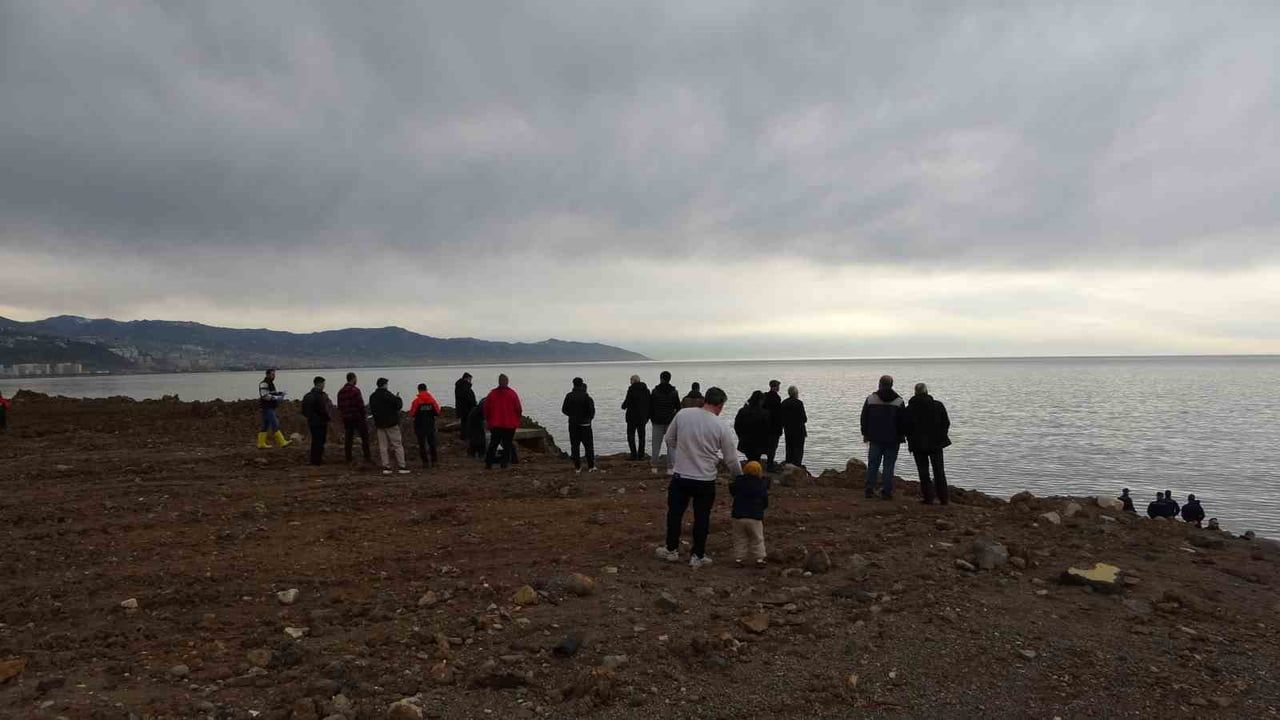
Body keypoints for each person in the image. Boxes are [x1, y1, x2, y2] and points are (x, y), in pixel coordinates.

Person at [656, 386, 742, 568]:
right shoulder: (720, 426)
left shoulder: (683, 415)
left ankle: (671, 550)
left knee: (675, 515)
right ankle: (698, 555)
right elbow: (731, 459)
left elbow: (669, 439)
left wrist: (683, 449)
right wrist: (739, 477)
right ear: (720, 405)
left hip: (681, 477)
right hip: (705, 480)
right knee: (702, 518)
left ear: (705, 400)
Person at [904, 382, 952, 505]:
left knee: (923, 471)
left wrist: (910, 438)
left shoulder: (909, 408)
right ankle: (943, 498)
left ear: (915, 392)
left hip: (917, 445)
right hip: (936, 443)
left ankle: (928, 498)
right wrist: (941, 436)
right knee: (939, 471)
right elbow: (946, 423)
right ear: (927, 391)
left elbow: (905, 427)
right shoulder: (938, 405)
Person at [860, 375, 906, 500]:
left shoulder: (871, 399)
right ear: (891, 385)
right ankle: (886, 491)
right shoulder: (899, 401)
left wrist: (865, 433)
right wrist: (901, 436)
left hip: (875, 437)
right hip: (893, 439)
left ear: (879, 384)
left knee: (873, 464)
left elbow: (864, 418)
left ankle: (869, 490)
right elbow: (903, 422)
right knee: (889, 466)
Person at [730, 460, 770, 567]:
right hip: (755, 516)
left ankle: (739, 559)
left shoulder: (739, 482)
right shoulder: (761, 484)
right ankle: (759, 559)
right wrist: (762, 508)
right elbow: (765, 500)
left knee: (739, 538)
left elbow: (732, 490)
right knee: (757, 538)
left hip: (738, 515)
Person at [368, 378, 408, 475]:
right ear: (384, 385)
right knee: (397, 444)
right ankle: (402, 466)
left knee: (383, 446)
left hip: (380, 424)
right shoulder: (388, 395)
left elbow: (371, 409)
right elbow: (398, 405)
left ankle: (386, 467)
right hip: (391, 423)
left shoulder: (373, 396)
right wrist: (398, 398)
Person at [483, 374, 523, 469]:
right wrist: (517, 419)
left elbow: (486, 409)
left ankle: (489, 464)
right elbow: (518, 409)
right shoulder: (512, 394)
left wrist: (488, 420)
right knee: (507, 444)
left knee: (494, 444)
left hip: (496, 424)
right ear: (507, 382)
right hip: (509, 424)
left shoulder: (492, 394)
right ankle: (504, 464)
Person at [561, 377, 597, 473]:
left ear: (573, 384)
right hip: (585, 424)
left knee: (575, 446)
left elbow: (564, 409)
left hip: (573, 424)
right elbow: (591, 411)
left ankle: (577, 467)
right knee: (588, 446)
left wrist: (572, 415)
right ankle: (591, 466)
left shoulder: (569, 396)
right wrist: (589, 418)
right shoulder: (586, 396)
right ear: (582, 384)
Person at [649, 370, 682, 474]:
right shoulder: (674, 392)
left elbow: (651, 407)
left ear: (661, 378)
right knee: (671, 445)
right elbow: (678, 407)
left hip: (657, 421)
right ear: (669, 379)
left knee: (656, 445)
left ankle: (654, 466)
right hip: (670, 421)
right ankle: (670, 468)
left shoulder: (654, 391)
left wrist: (652, 418)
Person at [336, 372, 372, 465]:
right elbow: (360, 404)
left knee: (349, 438)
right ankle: (367, 457)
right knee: (364, 437)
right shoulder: (355, 390)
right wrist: (364, 415)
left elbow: (339, 406)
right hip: (357, 417)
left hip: (346, 417)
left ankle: (348, 458)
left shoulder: (341, 391)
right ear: (353, 379)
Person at [300, 376, 333, 465]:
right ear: (320, 384)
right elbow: (323, 409)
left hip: (311, 422)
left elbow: (303, 410)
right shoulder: (320, 396)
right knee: (320, 441)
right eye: (323, 384)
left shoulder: (307, 396)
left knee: (315, 441)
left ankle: (314, 459)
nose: (324, 385)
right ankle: (318, 460)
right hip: (320, 422)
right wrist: (328, 418)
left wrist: (309, 417)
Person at [409, 383, 442, 468]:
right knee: (432, 443)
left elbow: (412, 413)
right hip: (430, 425)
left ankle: (425, 462)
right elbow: (438, 412)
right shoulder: (432, 400)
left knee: (422, 445)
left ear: (418, 390)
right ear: (426, 389)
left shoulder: (416, 401)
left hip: (419, 425)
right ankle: (434, 461)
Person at [257, 369, 291, 449]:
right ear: (267, 375)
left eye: (274, 374)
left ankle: (261, 443)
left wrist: (280, 393)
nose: (274, 376)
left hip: (269, 407)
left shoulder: (270, 383)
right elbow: (265, 396)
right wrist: (277, 398)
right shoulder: (264, 384)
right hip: (267, 407)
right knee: (275, 423)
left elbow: (271, 393)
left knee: (265, 425)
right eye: (272, 374)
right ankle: (282, 442)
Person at [734, 391, 770, 465]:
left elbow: (737, 426)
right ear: (760, 401)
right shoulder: (764, 413)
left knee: (750, 458)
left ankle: (750, 471)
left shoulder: (742, 411)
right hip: (759, 442)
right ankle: (754, 472)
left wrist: (740, 436)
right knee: (756, 460)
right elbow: (767, 428)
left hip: (745, 441)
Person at [621, 375, 650, 461]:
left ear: (634, 381)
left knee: (631, 436)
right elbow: (649, 403)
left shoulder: (631, 390)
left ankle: (633, 455)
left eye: (631, 380)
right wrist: (648, 415)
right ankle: (641, 455)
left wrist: (623, 406)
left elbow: (627, 402)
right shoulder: (646, 390)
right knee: (642, 436)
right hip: (642, 417)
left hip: (632, 417)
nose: (630, 381)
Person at [779, 385, 808, 467]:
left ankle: (789, 463)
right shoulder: (799, 403)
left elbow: (781, 417)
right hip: (799, 430)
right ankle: (797, 466)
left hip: (788, 429)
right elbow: (804, 418)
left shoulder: (784, 403)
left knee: (789, 447)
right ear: (796, 393)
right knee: (798, 448)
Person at [762, 380, 784, 472]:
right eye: (778, 386)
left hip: (765, 426)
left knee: (767, 445)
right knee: (773, 447)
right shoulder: (776, 398)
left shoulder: (765, 396)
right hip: (774, 426)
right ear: (775, 387)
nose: (779, 388)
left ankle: (767, 464)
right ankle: (770, 466)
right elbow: (778, 414)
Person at [454, 372, 476, 440]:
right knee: (467, 423)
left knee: (464, 423)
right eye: (470, 379)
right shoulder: (465, 387)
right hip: (467, 408)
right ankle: (466, 436)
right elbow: (469, 398)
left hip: (461, 408)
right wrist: (474, 404)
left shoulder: (459, 386)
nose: (470, 381)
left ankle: (464, 436)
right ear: (466, 379)